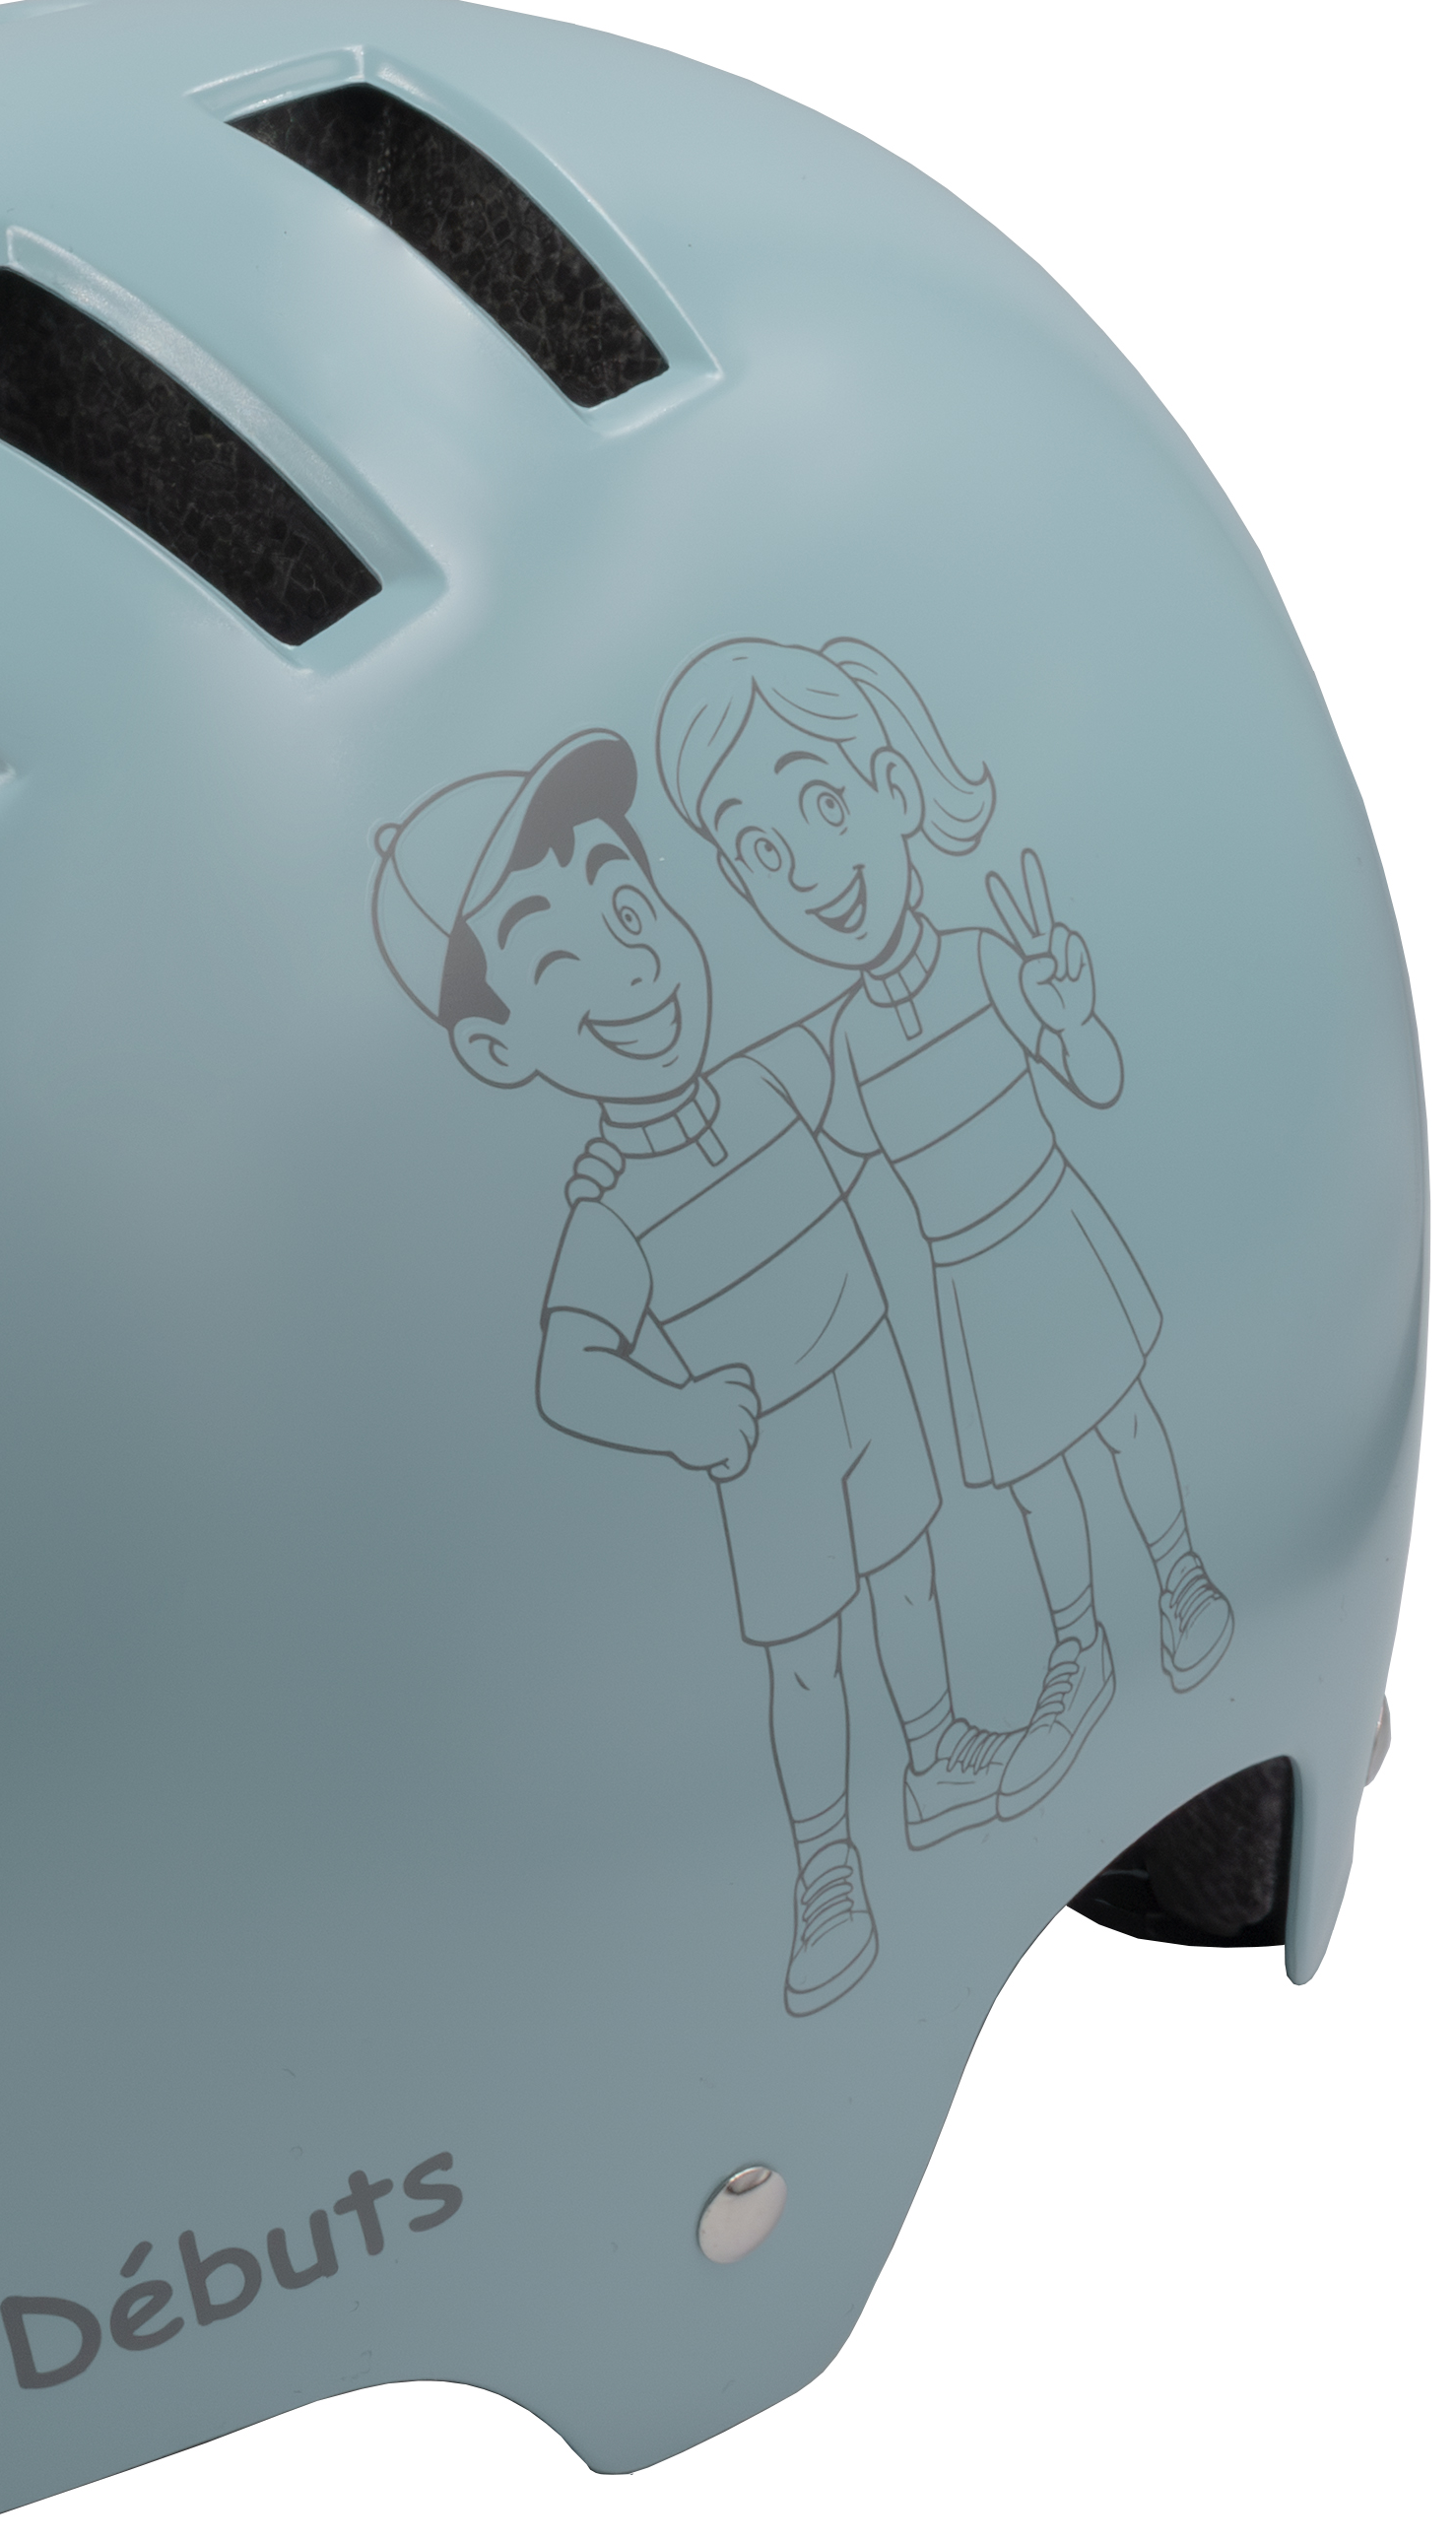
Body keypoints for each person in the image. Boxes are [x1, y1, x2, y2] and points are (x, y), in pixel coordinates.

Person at [372, 729, 1019, 2014]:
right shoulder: (611, 1209)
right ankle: (826, 1867)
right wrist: (678, 1417)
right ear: (499, 1050)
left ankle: (939, 1751)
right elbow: (569, 1372)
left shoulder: (771, 1081)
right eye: (559, 959)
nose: (632, 962)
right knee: (806, 1661)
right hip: (768, 1443)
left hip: (868, 1385)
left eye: (630, 907)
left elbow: (876, 1086)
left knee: (909, 1576)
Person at [652, 639, 1232, 1822]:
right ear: (743, 891)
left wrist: (1070, 1018)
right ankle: (1076, 1644)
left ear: (892, 789)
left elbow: (1096, 1078)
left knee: (1121, 1423)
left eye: (823, 805)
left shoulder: (982, 961)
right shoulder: (847, 1046)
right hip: (972, 1283)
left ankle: (1179, 1576)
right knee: (1036, 1485)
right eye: (763, 853)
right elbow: (818, 1170)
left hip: (1047, 1230)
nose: (810, 872)